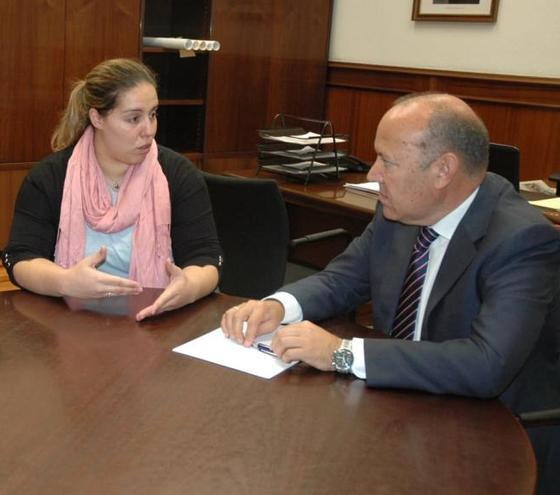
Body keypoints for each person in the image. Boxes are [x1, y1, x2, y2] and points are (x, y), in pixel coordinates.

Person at [221, 92, 560, 494]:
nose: (374, 173)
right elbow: (343, 279)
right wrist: (278, 305)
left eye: (388, 161)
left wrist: (340, 353)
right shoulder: (399, 208)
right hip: (397, 403)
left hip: (487, 430)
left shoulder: (520, 240)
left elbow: (487, 364)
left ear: (443, 170)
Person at [2, 58, 221, 321]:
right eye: (134, 118)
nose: (149, 130)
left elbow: (206, 258)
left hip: (158, 318)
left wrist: (190, 286)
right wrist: (65, 281)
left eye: (153, 115)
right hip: (71, 322)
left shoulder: (178, 175)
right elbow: (20, 258)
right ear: (97, 118)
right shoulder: (50, 177)